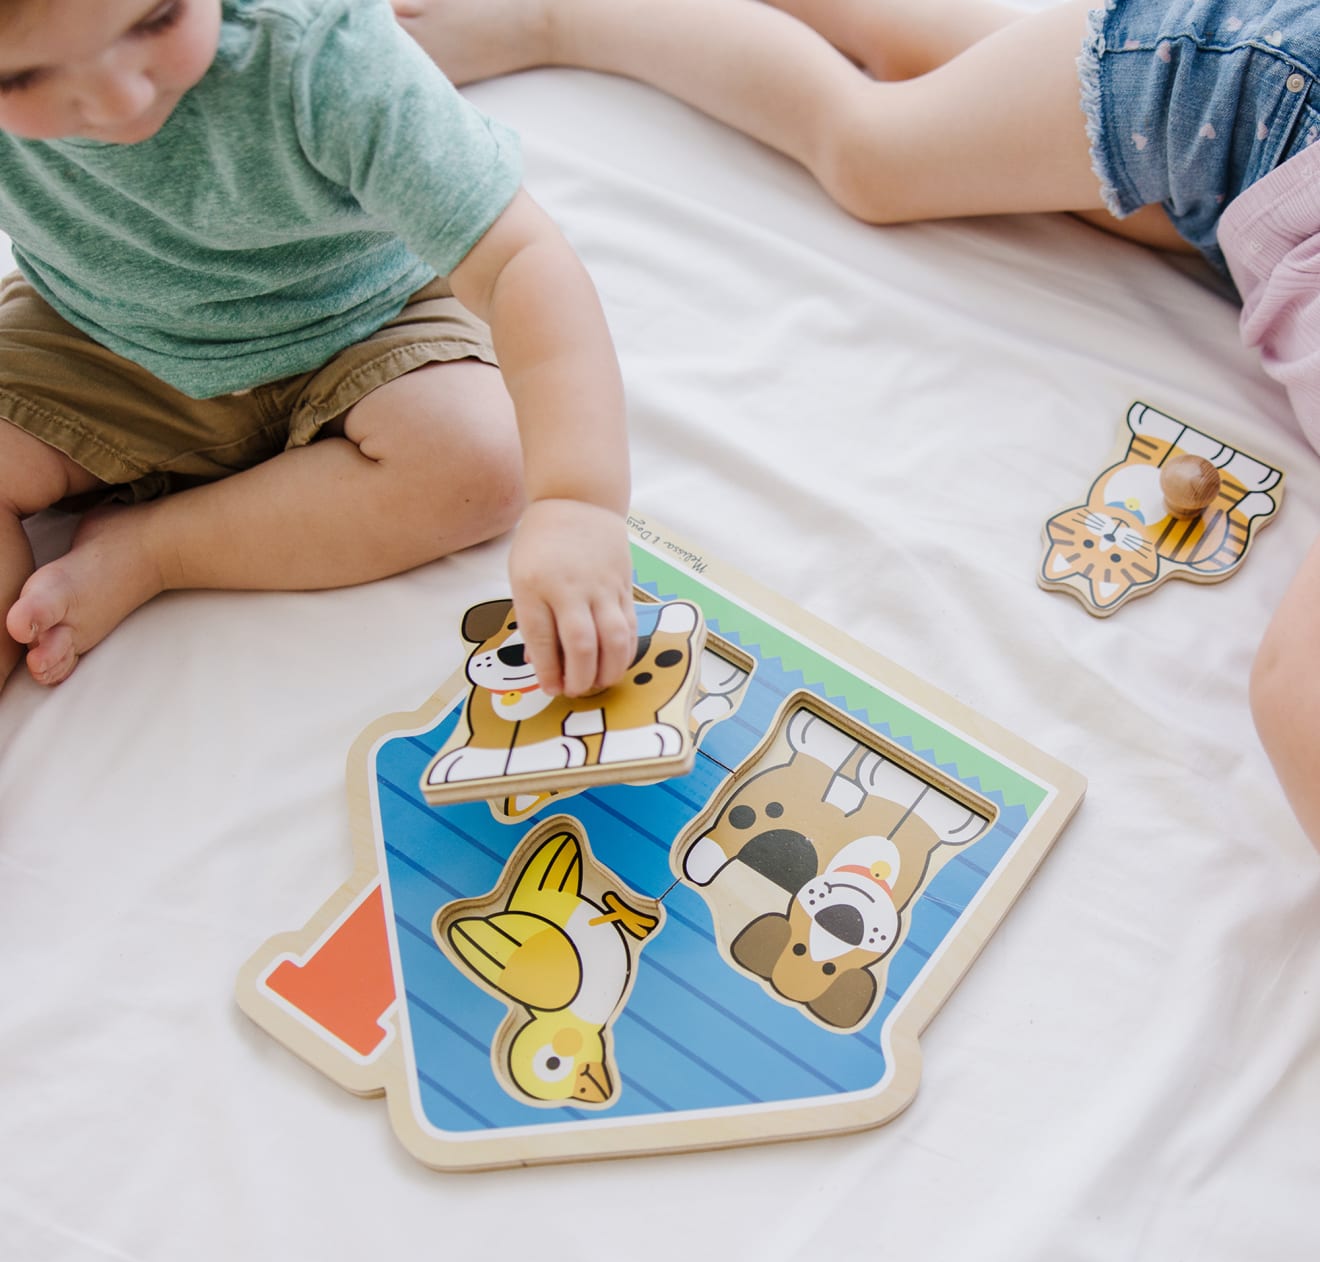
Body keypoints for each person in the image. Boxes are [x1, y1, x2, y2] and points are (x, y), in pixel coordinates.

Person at [394, 0, 1320, 849]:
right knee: (875, 151)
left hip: (1261, 153)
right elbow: (1293, 695)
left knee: (965, 86)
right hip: (1251, 93)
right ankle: (561, 16)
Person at [0, 0, 637, 702]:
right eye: (22, 78)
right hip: (102, 334)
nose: (121, 98)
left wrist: (577, 503)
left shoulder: (321, 55)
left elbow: (520, 259)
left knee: (481, 460)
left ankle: (156, 548)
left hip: (366, 321)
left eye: (157, 20)